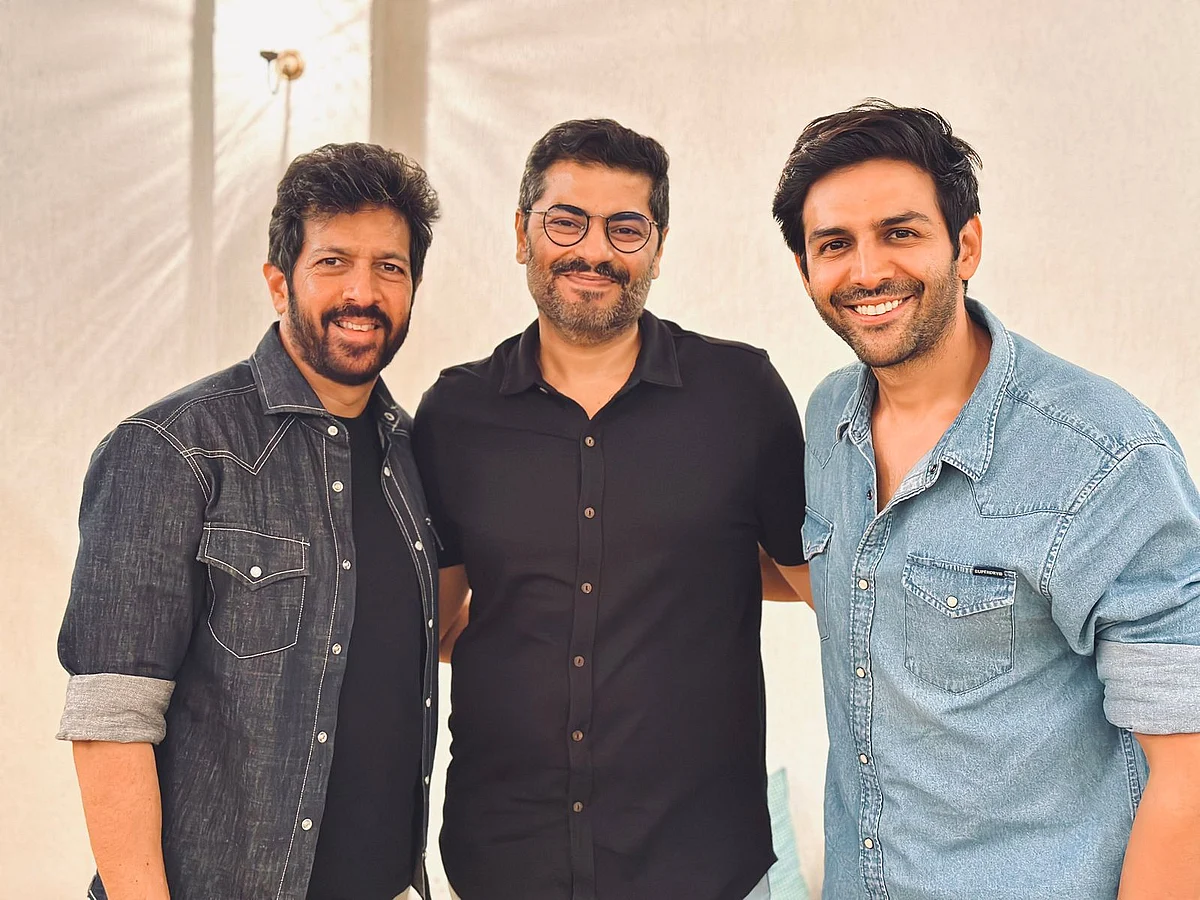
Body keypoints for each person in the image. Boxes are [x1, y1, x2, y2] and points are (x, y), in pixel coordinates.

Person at [772, 99, 1200, 899]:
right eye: (834, 244)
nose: (866, 271)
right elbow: (840, 580)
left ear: (965, 244)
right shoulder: (828, 418)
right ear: (805, 271)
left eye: (900, 232)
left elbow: (1189, 775)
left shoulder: (1104, 458)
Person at [413, 118, 808, 900]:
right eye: (567, 221)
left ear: (657, 249)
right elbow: (437, 621)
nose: (594, 250)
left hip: (700, 864)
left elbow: (817, 581)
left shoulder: (741, 395)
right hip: (507, 860)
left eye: (625, 229)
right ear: (522, 234)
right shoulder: (454, 414)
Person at [57, 142, 442, 900]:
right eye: (332, 262)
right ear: (278, 282)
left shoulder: (413, 454)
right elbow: (112, 719)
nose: (362, 291)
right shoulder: (172, 448)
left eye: (389, 267)